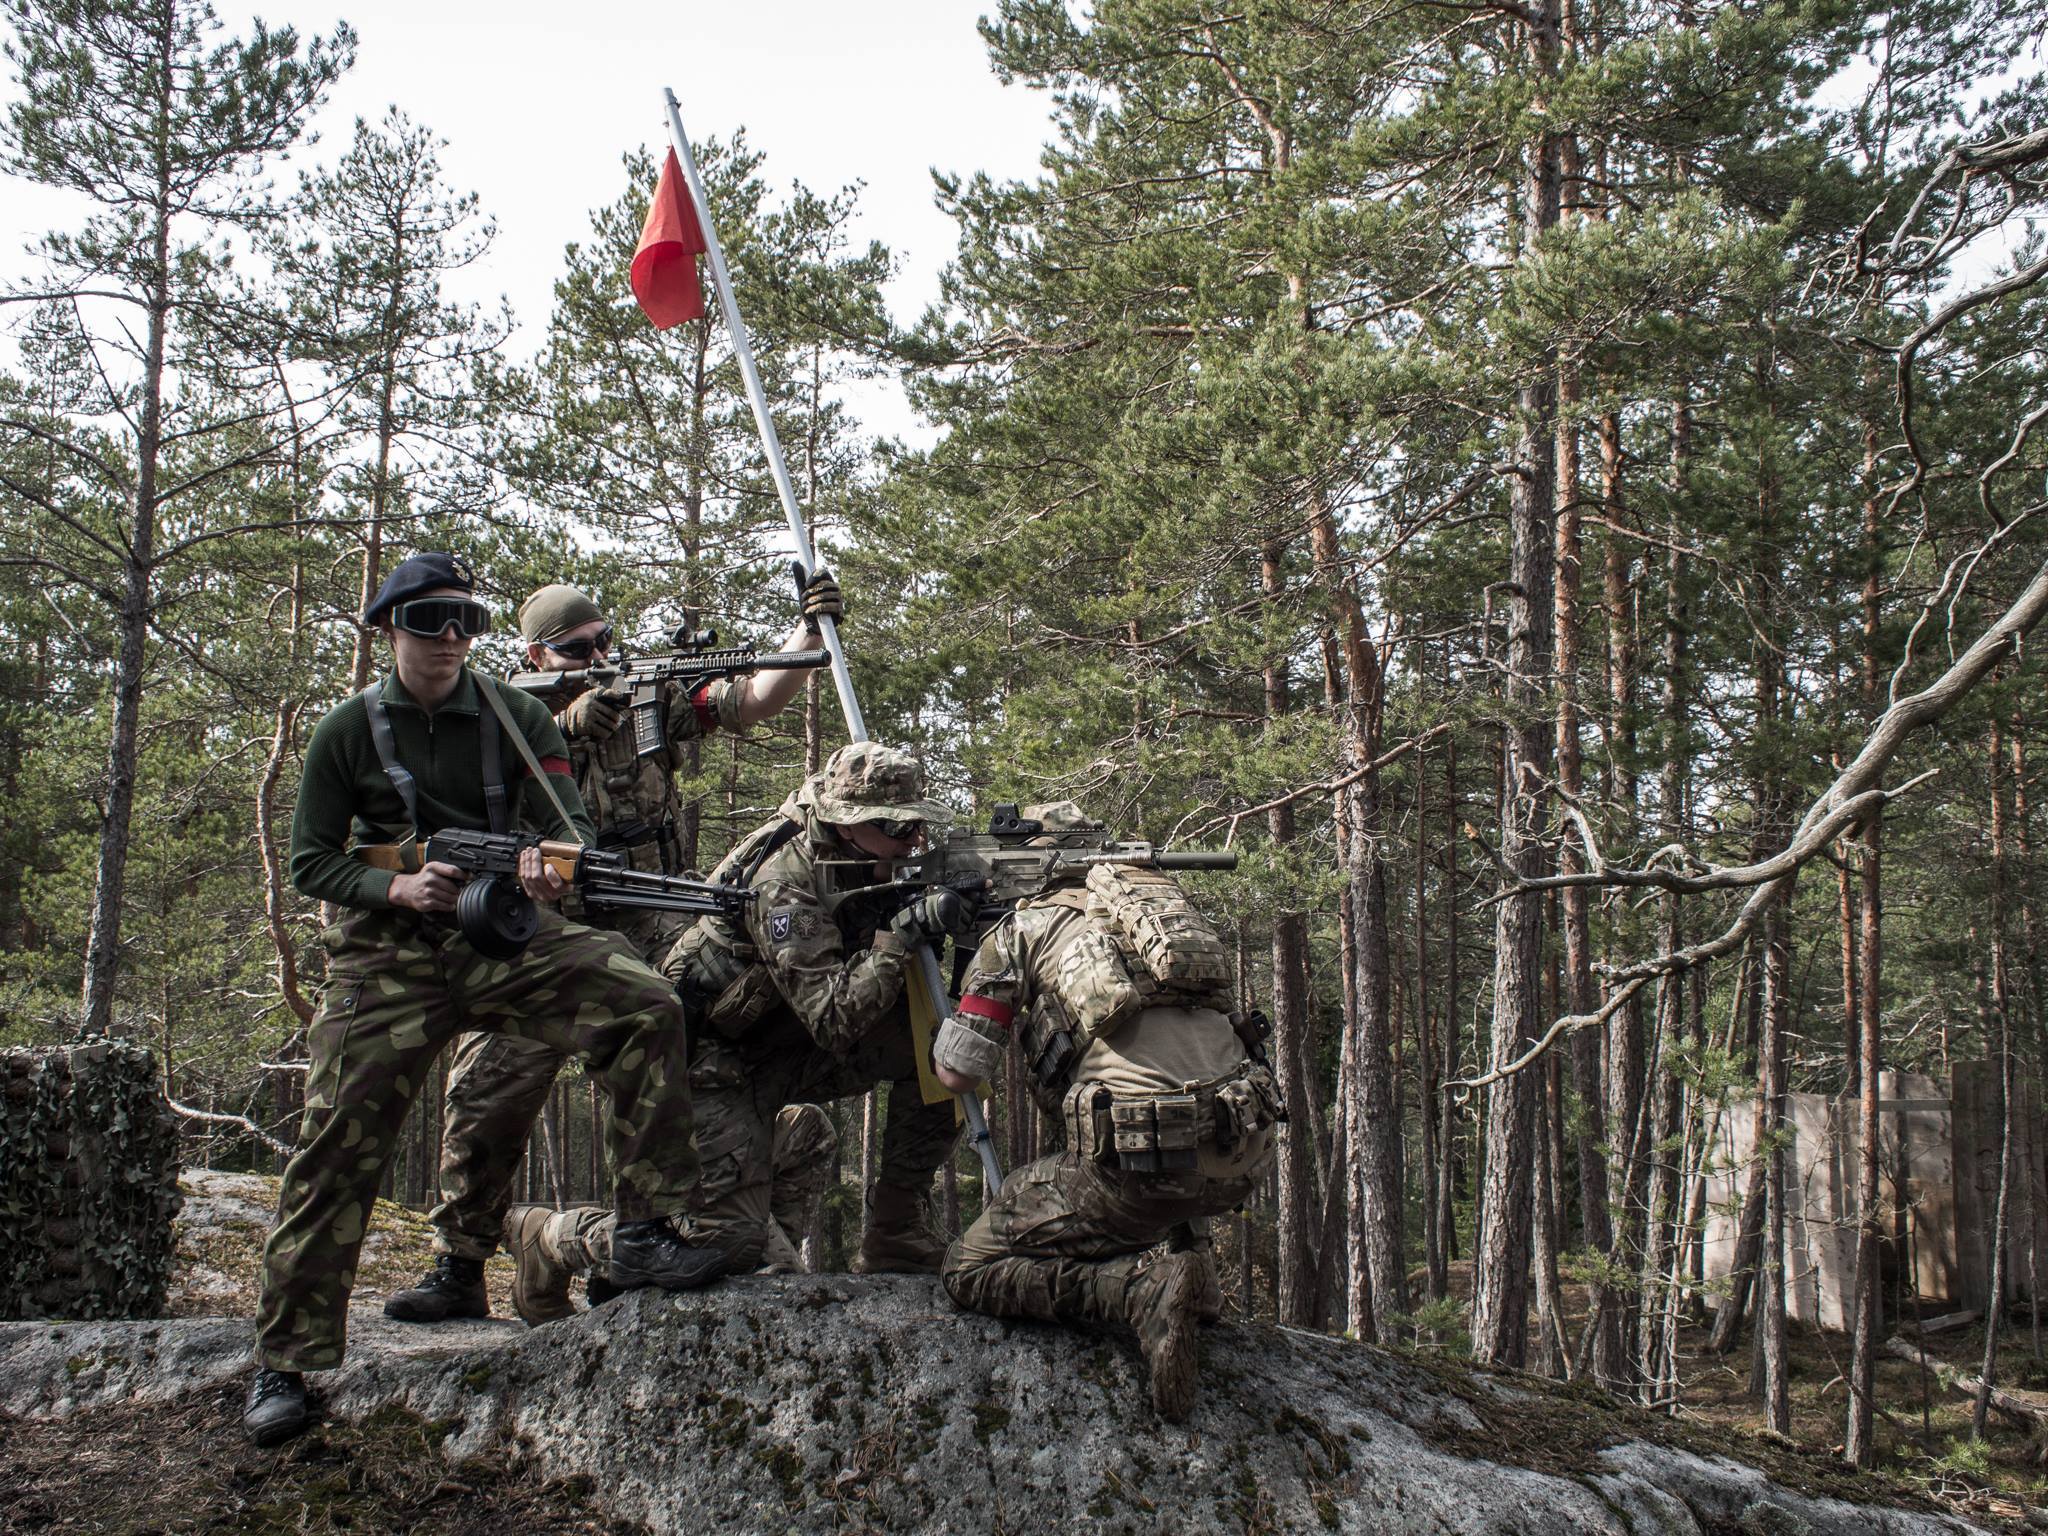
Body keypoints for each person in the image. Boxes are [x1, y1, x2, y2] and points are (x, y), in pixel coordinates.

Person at [243, 553, 724, 1448]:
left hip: (501, 934)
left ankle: (646, 1229)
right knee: (336, 1143)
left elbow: (568, 822)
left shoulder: (519, 711)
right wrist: (398, 887)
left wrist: (553, 865)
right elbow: (312, 860)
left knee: (644, 1001)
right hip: (385, 958)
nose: (454, 638)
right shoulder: (347, 731)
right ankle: (289, 1358)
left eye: (467, 619)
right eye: (431, 622)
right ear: (389, 629)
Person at [386, 573, 843, 1324]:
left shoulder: (646, 697)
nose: (599, 654)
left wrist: (807, 634)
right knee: (491, 1085)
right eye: (577, 648)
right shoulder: (497, 712)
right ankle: (461, 1261)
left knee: (694, 1045)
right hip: (538, 921)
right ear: (536, 652)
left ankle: (649, 1237)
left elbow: (754, 697)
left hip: (649, 912)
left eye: (605, 640)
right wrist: (564, 729)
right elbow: (454, 790)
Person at [503, 741, 971, 1309]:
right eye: (897, 830)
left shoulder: (864, 860)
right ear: (847, 825)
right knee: (723, 1248)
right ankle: (557, 1238)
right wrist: (900, 937)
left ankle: (895, 1229)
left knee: (945, 1049)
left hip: (774, 1046)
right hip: (704, 1067)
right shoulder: (786, 881)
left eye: (915, 828)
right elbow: (834, 1019)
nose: (912, 843)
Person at [929, 803, 1278, 1423]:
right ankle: (1196, 1274)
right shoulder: (1168, 917)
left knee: (970, 1268)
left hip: (1136, 1171)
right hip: (1242, 1156)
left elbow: (958, 1073)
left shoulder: (1024, 927)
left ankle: (1138, 1293)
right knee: (1171, 1102)